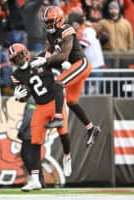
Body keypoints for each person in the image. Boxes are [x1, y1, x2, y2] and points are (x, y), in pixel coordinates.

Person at [30, 5, 101, 146]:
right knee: (71, 101)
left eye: (50, 22)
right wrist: (33, 60)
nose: (48, 25)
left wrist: (46, 60)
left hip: (81, 64)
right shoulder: (50, 35)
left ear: (59, 20)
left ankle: (58, 117)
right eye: (46, 22)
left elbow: (63, 55)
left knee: (58, 83)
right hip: (73, 65)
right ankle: (91, 128)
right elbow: (47, 53)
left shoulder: (67, 30)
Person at [9, 43, 71, 192]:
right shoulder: (16, 75)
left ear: (26, 53)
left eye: (20, 55)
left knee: (63, 133)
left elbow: (62, 61)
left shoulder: (41, 58)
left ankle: (67, 156)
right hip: (40, 106)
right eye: (15, 58)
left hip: (55, 102)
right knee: (35, 142)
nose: (19, 59)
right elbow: (25, 97)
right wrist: (20, 97)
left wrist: (58, 62)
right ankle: (35, 180)